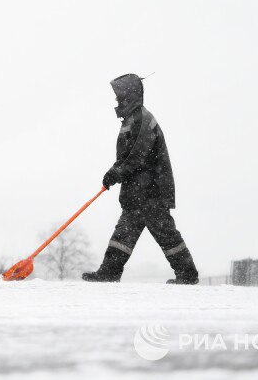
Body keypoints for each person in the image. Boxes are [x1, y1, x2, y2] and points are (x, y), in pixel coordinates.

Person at [82, 73, 199, 284]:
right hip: (137, 192)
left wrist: (117, 173)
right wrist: (113, 171)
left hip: (152, 191)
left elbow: (137, 154)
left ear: (129, 95)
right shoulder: (131, 120)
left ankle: (188, 274)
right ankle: (109, 271)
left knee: (165, 233)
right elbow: (126, 156)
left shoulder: (143, 120)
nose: (117, 101)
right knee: (123, 235)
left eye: (119, 96)